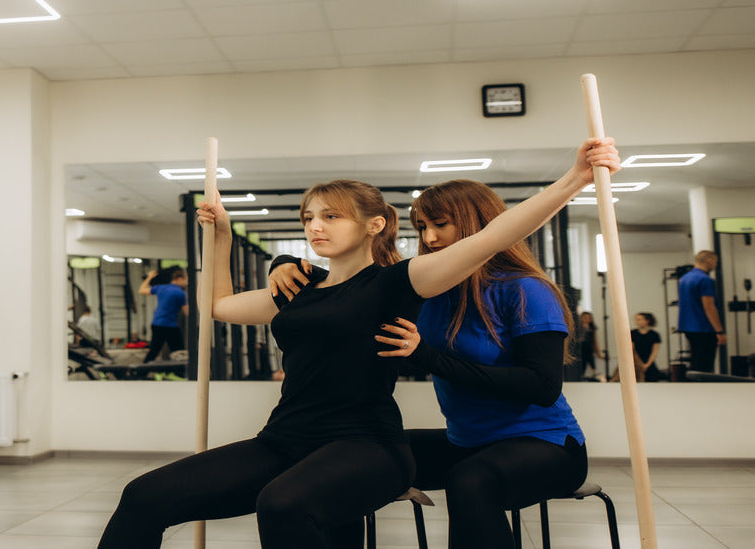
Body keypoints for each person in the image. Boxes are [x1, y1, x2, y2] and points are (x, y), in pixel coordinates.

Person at [98, 138, 619, 548]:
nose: (315, 227)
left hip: (365, 439)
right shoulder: (296, 286)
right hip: (285, 438)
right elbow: (221, 307)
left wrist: (573, 179)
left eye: (331, 215)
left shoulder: (398, 283)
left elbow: (491, 237)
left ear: (376, 224)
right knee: (143, 496)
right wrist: (224, 238)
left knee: (283, 504)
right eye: (308, 217)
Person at [269, 176, 606, 549]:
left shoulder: (524, 289)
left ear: (479, 222)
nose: (429, 238)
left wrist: (427, 357)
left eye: (440, 225)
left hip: (546, 445)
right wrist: (284, 263)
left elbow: (541, 388)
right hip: (464, 443)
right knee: (341, 459)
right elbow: (356, 286)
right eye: (422, 227)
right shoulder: (430, 292)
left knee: (471, 480)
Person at [678, 250, 727, 373]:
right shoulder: (705, 280)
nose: (715, 265)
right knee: (705, 366)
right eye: (715, 262)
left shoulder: (684, 279)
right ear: (709, 260)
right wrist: (719, 331)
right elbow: (709, 307)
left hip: (688, 327)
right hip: (704, 328)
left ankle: (695, 389)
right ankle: (705, 390)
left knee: (696, 361)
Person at [138, 267, 188, 363]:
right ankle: (180, 373)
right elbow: (187, 312)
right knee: (179, 351)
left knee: (154, 350)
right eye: (186, 280)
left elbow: (141, 290)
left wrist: (150, 277)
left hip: (157, 324)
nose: (186, 283)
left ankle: (141, 373)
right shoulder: (180, 293)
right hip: (170, 325)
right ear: (180, 279)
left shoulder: (161, 288)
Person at [631, 312, 663, 382]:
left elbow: (654, 352)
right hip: (635, 361)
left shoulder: (654, 335)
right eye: (636, 320)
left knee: (652, 379)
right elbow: (632, 350)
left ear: (647, 320)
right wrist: (640, 364)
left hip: (648, 362)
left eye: (639, 319)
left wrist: (647, 365)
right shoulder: (632, 333)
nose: (637, 322)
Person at [577, 311, 605, 380]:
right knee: (585, 355)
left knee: (588, 353)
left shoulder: (592, 328)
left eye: (589, 318)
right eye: (585, 318)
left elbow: (594, 341)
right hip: (581, 349)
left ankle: (593, 371)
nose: (587, 319)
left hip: (589, 349)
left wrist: (598, 353)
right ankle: (594, 370)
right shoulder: (578, 328)